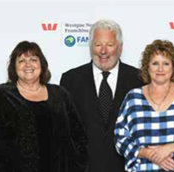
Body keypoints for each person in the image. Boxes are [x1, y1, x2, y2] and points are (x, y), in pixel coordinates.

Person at [0, 41, 88, 171]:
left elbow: (79, 138)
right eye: (21, 60)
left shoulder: (60, 95)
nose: (28, 65)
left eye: (33, 59)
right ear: (14, 67)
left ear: (42, 64)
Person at [115, 40, 174, 172]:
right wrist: (148, 154)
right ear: (147, 67)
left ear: (173, 67)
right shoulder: (133, 97)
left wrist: (171, 147)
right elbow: (120, 138)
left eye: (165, 64)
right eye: (155, 63)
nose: (160, 69)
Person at [60, 19, 143, 172]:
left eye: (109, 45)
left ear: (120, 48)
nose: (103, 51)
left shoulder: (138, 79)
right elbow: (64, 132)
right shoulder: (70, 80)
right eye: (98, 45)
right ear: (91, 47)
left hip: (127, 167)